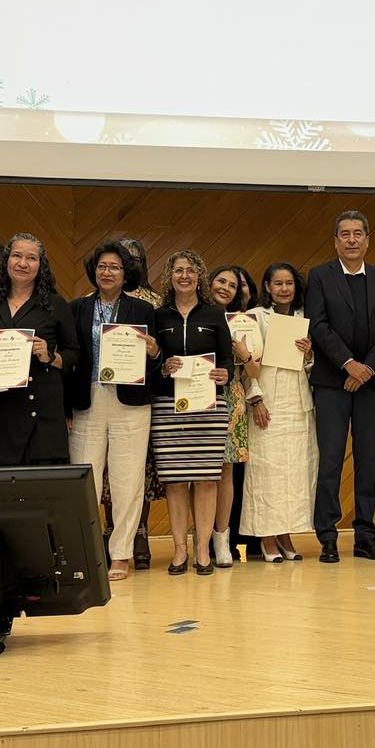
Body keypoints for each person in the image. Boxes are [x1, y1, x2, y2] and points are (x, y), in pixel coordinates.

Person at [306, 210, 375, 563]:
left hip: (370, 385)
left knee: (367, 460)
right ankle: (328, 537)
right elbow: (318, 325)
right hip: (332, 383)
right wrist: (349, 364)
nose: (351, 240)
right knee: (331, 460)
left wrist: (367, 369)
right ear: (335, 241)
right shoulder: (320, 276)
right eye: (344, 234)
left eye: (358, 233)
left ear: (367, 240)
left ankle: (365, 535)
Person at [69, 241, 159, 581]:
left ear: (126, 274)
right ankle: (86, 552)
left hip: (130, 403)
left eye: (115, 267)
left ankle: (120, 554)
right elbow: (70, 359)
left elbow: (156, 362)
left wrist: (154, 352)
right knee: (85, 480)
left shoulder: (142, 310)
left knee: (127, 481)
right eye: (102, 266)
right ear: (94, 271)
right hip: (88, 400)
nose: (107, 272)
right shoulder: (77, 308)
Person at [0, 234, 80, 467]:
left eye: (31, 258)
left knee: (42, 485)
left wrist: (49, 356)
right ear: (6, 260)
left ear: (41, 265)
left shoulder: (55, 304)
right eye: (17, 256)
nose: (23, 263)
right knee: (3, 484)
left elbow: (73, 354)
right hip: (1, 411)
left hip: (43, 414)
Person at [151, 250, 233, 575]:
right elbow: (151, 361)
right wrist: (162, 366)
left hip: (209, 407)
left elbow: (226, 360)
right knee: (174, 481)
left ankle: (202, 551)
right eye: (178, 270)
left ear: (200, 276)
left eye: (190, 270)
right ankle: (179, 551)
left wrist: (225, 374)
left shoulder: (215, 315)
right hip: (168, 407)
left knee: (206, 479)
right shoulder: (158, 316)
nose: (184, 276)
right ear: (169, 276)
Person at [239, 262, 315, 562]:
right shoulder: (256, 317)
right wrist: (255, 398)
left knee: (294, 473)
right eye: (278, 283)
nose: (284, 289)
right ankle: (267, 536)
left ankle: (285, 533)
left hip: (297, 404)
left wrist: (308, 353)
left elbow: (309, 368)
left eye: (289, 283)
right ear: (268, 287)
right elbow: (245, 363)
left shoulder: (303, 318)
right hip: (267, 401)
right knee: (266, 472)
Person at [205, 264, 261, 569]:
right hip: (197, 394)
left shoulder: (244, 322)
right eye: (221, 281)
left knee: (226, 472)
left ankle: (222, 540)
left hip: (232, 399)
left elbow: (254, 371)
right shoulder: (195, 315)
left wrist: (244, 353)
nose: (225, 288)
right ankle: (200, 540)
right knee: (199, 473)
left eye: (233, 285)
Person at [116, 237, 165, 569]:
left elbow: (161, 350)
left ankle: (140, 530)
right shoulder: (94, 298)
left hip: (142, 396)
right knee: (110, 475)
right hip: (106, 395)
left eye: (135, 258)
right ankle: (111, 529)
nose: (130, 263)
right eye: (124, 258)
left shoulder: (155, 302)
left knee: (140, 471)